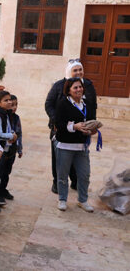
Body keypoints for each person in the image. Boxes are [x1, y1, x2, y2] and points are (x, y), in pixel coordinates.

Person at [45, 59, 97, 194]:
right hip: (61, 128)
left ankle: (75, 181)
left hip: (82, 129)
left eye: (80, 69)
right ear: (69, 72)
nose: (78, 72)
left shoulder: (89, 85)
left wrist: (92, 124)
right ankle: (57, 182)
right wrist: (57, 121)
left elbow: (93, 105)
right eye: (75, 70)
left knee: (79, 155)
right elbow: (49, 104)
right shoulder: (58, 85)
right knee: (59, 157)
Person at [55, 78, 96, 212]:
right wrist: (75, 126)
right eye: (75, 88)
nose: (79, 90)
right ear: (69, 90)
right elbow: (59, 125)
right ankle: (62, 199)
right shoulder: (63, 104)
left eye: (80, 87)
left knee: (84, 175)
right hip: (65, 146)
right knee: (63, 174)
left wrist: (91, 129)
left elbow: (91, 120)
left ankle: (82, 200)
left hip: (82, 146)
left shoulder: (88, 104)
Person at [0, 91, 17, 205]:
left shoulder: (7, 113)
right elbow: (0, 133)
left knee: (5, 172)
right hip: (0, 148)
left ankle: (2, 191)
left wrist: (12, 133)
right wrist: (11, 135)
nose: (9, 102)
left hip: (8, 148)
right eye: (6, 100)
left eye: (9, 100)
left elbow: (8, 128)